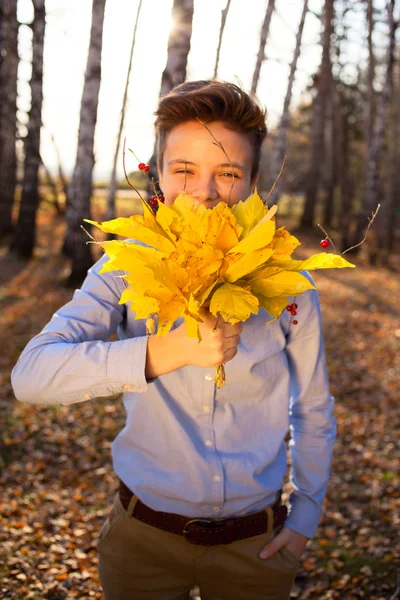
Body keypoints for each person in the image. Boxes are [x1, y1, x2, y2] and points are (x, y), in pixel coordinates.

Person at [11, 80, 337, 600]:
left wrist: (305, 518)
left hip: (258, 545)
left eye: (227, 173)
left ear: (253, 182)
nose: (204, 192)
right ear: (159, 174)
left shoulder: (290, 290)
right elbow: (32, 377)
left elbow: (314, 409)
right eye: (184, 170)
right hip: (143, 542)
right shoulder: (124, 269)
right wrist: (166, 351)